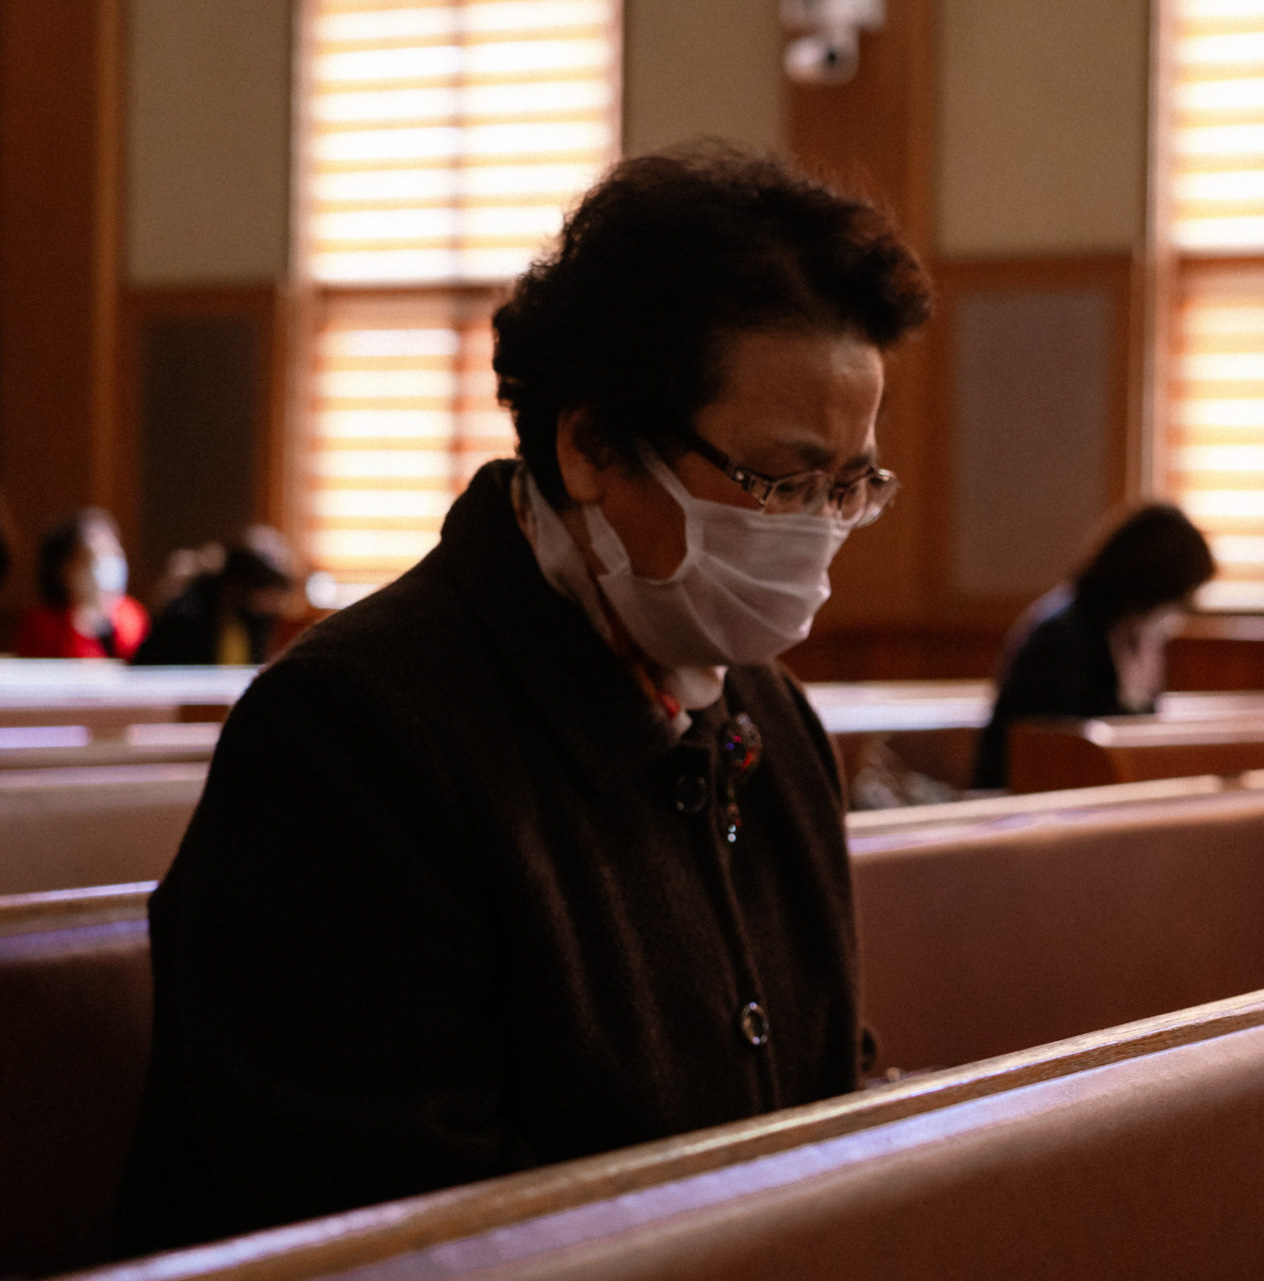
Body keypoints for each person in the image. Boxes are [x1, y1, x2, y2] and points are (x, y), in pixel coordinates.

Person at [116, 145, 932, 1253]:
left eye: (850, 486)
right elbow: (383, 1221)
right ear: (590, 447)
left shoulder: (770, 720)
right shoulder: (352, 732)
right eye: (779, 482)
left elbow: (818, 1087)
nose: (818, 531)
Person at [971, 504, 1215, 790]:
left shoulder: (1133, 635)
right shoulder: (1062, 635)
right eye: (1173, 599)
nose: (1171, 615)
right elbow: (1054, 750)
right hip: (1028, 793)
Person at [133, 529, 296, 666]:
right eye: (266, 590)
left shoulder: (256, 618)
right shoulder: (186, 614)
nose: (272, 601)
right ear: (237, 585)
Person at [16, 507, 149, 659]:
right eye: (96, 557)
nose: (109, 565)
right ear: (64, 569)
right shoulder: (43, 626)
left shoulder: (132, 618)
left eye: (114, 554)